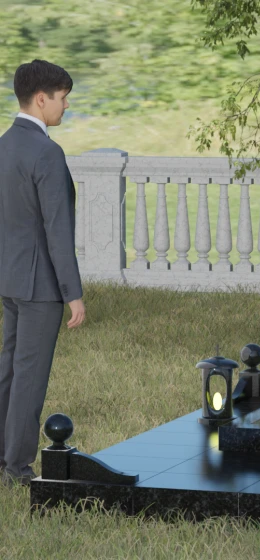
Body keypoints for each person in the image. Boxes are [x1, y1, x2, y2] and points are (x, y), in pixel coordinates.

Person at [0, 59, 86, 487]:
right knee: (29, 378)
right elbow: (58, 228)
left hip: (10, 278)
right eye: (62, 97)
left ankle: (3, 457)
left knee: (10, 370)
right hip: (40, 285)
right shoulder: (47, 152)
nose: (66, 105)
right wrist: (73, 293)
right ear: (40, 99)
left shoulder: (4, 145)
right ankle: (16, 468)